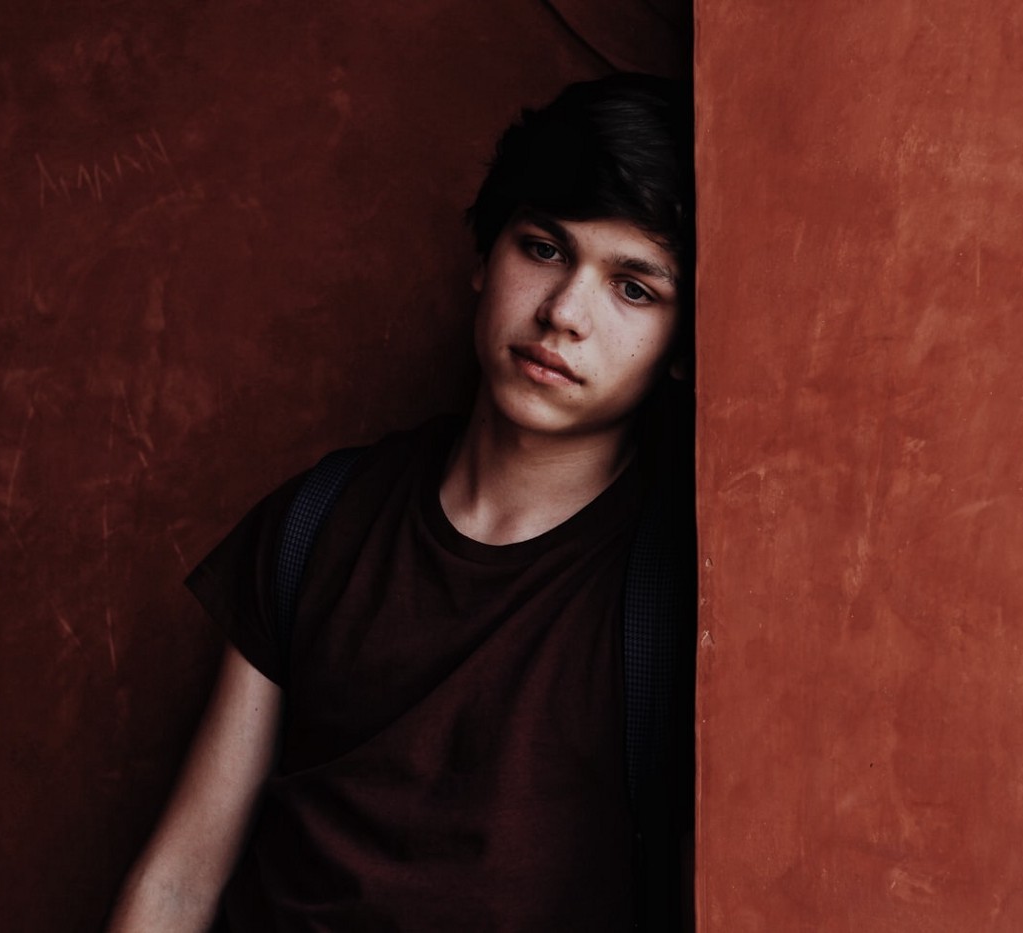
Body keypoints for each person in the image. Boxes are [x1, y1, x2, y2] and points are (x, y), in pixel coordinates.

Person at [107, 72, 696, 932]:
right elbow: (177, 883)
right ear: (483, 257)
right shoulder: (321, 518)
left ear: (680, 350)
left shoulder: (676, 586)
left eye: (632, 287)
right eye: (542, 247)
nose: (565, 311)